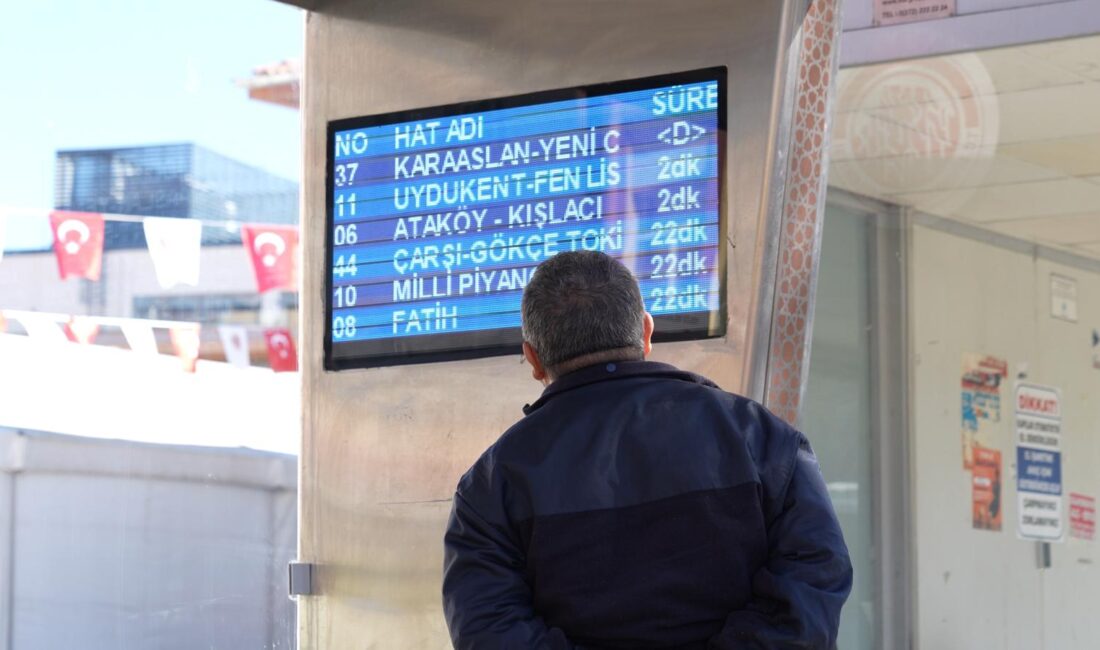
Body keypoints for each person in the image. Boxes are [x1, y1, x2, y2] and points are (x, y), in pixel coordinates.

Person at [442, 251, 852, 649]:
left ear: (532, 358)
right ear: (646, 332)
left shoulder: (491, 486)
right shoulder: (762, 438)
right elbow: (811, 591)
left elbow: (490, 630)